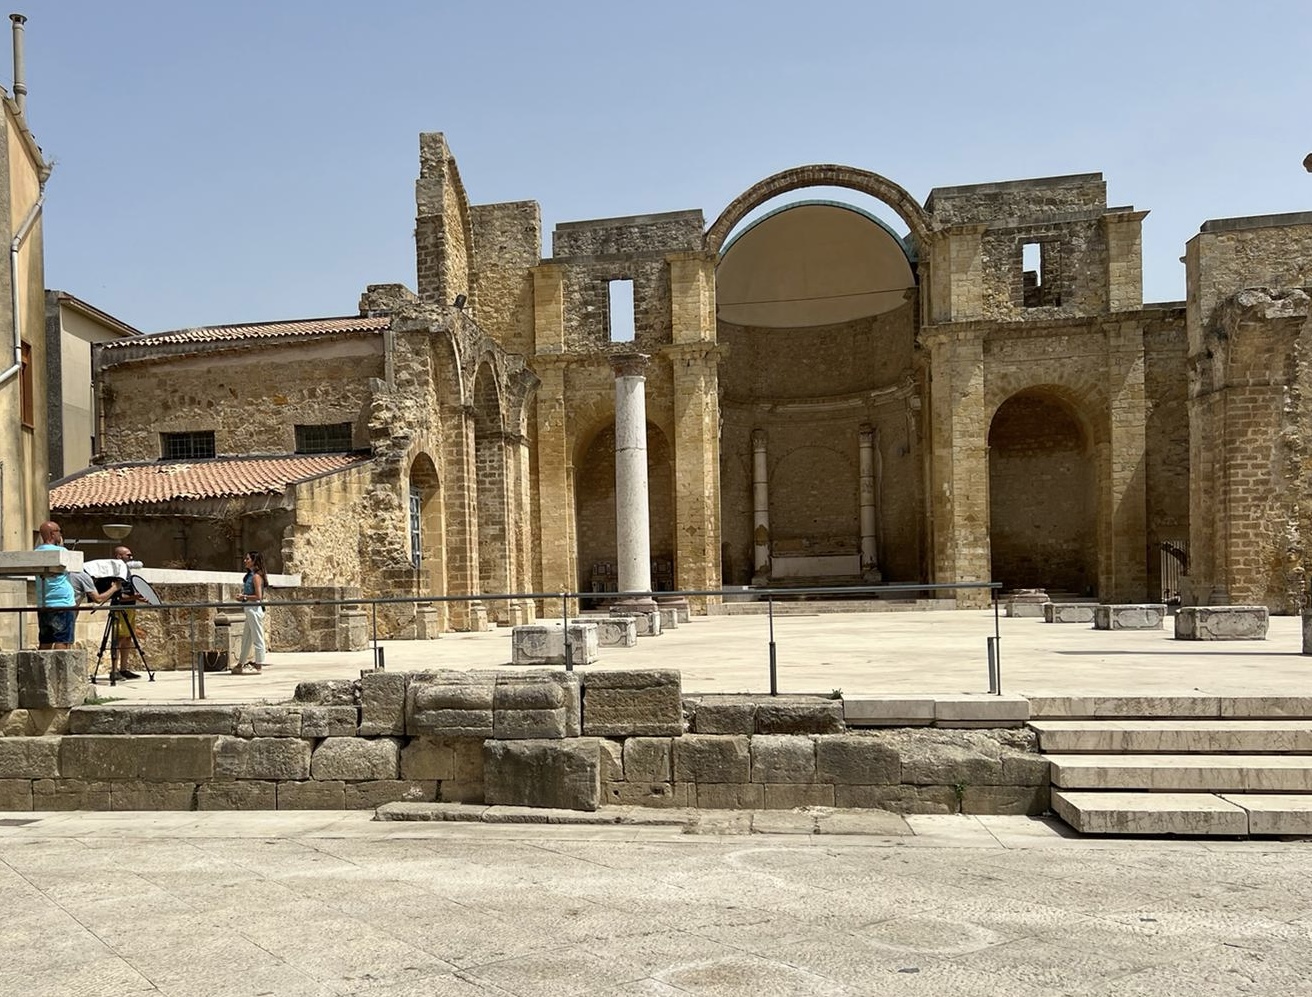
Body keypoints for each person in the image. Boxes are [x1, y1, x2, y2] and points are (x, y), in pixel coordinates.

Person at [34, 521, 76, 649]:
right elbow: (73, 568)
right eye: (59, 531)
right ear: (52, 534)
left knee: (45, 641)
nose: (61, 534)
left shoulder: (36, 552)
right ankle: (59, 669)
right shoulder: (61, 551)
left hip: (44, 603)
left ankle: (42, 668)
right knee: (62, 640)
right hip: (62, 602)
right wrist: (61, 546)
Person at [107, 544, 145, 680]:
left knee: (128, 638)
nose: (131, 557)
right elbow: (118, 596)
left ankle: (124, 669)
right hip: (119, 609)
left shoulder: (126, 572)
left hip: (130, 608)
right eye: (128, 555)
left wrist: (137, 596)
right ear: (119, 556)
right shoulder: (115, 573)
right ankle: (114, 670)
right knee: (118, 639)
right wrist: (136, 597)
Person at [233, 551, 267, 674]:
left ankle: (259, 665)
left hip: (254, 608)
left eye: (247, 559)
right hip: (249, 609)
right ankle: (240, 663)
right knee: (246, 637)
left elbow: (259, 596)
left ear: (253, 561)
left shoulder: (256, 577)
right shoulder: (250, 576)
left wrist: (244, 597)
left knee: (257, 637)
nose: (245, 561)